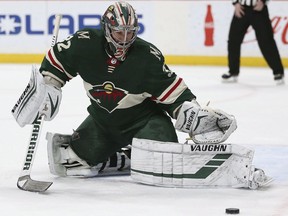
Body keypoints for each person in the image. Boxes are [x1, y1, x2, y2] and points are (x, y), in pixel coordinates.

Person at [12, 1, 270, 189]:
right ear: (106, 28)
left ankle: (139, 151)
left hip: (145, 121)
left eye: (129, 32)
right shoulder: (84, 43)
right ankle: (128, 156)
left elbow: (175, 96)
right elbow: (56, 62)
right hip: (103, 123)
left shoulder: (147, 57)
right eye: (118, 32)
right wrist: (48, 86)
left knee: (162, 160)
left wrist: (195, 116)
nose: (124, 39)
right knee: (71, 159)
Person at [222, 0, 285, 85]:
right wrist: (236, 3)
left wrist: (263, 1)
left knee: (266, 41)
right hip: (242, 8)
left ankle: (278, 71)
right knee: (233, 40)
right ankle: (233, 71)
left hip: (259, 9)